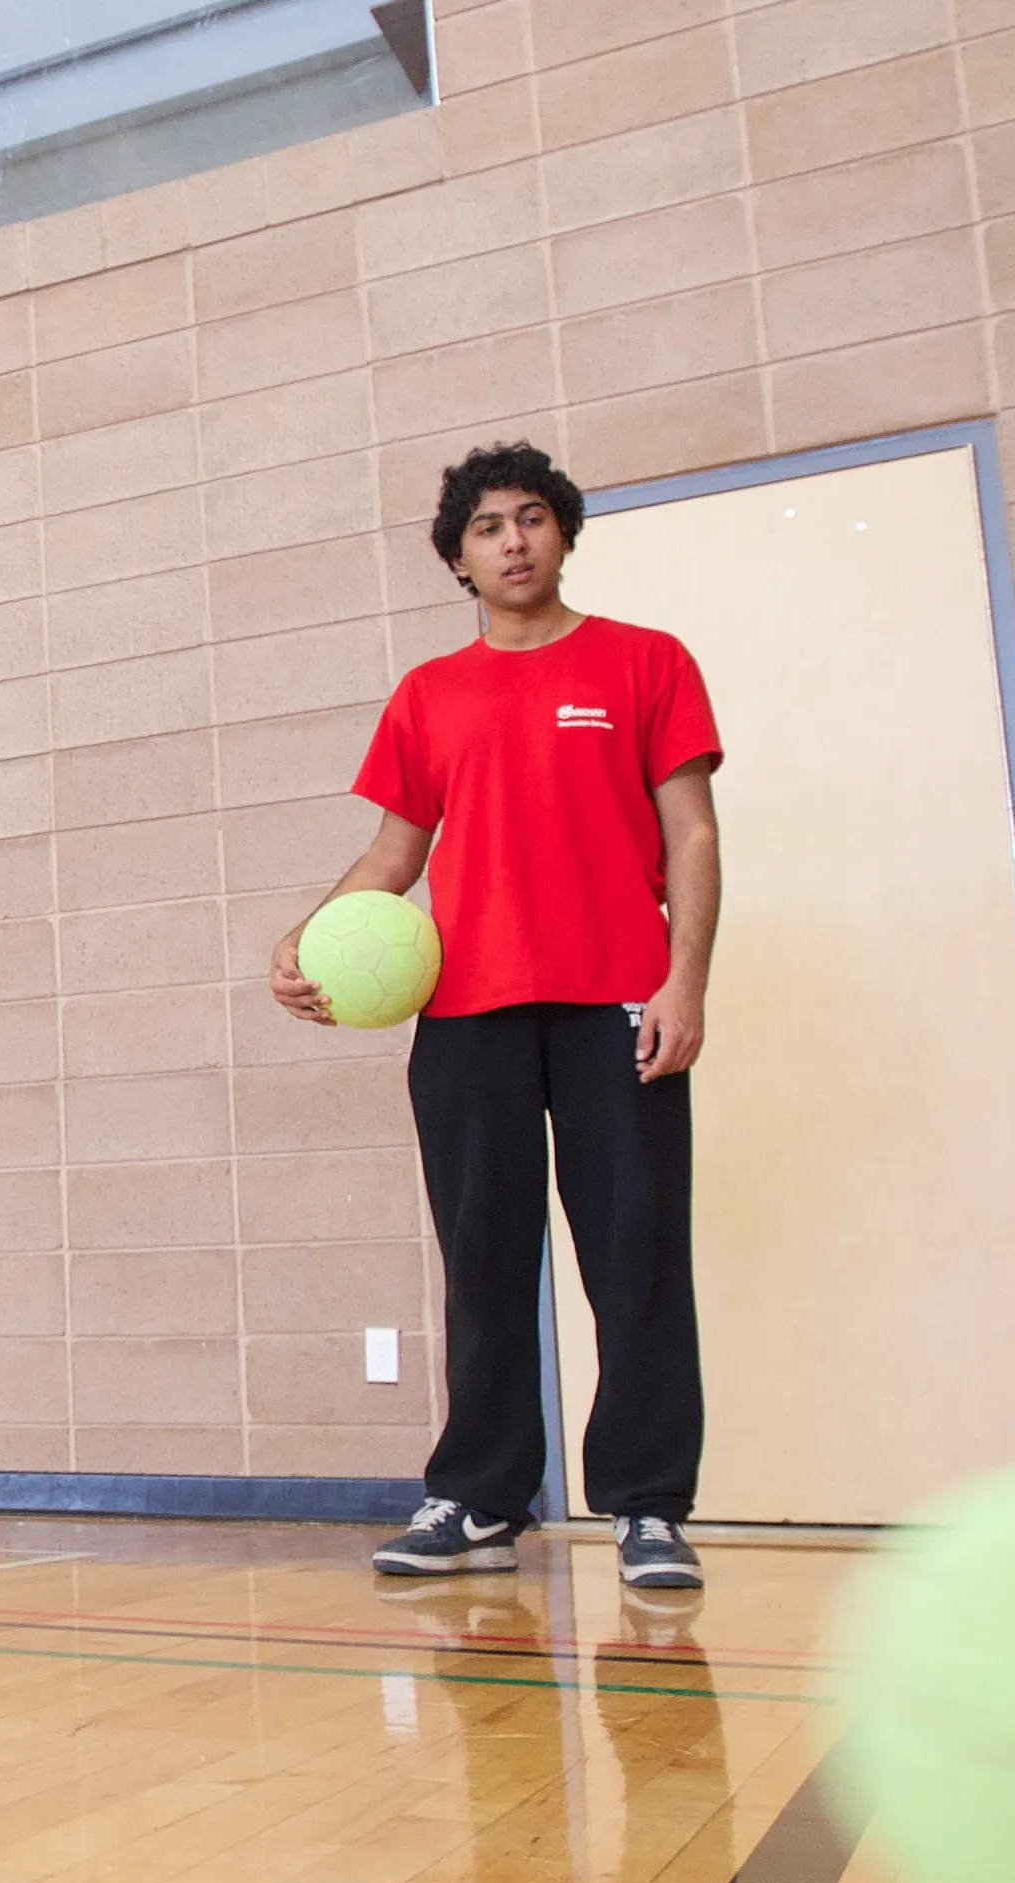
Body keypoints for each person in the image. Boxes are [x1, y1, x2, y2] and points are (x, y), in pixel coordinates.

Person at [269, 440, 723, 1591]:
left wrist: (684, 981)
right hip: (468, 1016)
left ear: (562, 533)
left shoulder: (646, 662)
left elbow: (692, 834)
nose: (512, 540)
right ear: (458, 559)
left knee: (635, 1257)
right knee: (481, 1261)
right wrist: (306, 938)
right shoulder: (429, 695)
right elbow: (394, 854)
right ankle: (477, 1499)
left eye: (530, 517)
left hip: (615, 1004)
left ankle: (648, 1506)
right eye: (486, 526)